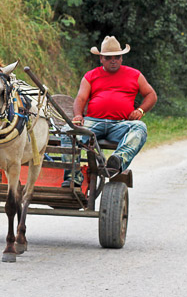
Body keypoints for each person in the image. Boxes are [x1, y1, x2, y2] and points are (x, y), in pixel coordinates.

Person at [62, 36, 157, 186]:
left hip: (120, 124)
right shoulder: (91, 76)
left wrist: (140, 110)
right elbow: (80, 99)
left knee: (140, 128)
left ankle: (116, 162)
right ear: (101, 59)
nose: (113, 60)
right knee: (68, 131)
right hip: (93, 122)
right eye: (108, 57)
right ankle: (73, 177)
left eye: (117, 57)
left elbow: (151, 94)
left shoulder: (134, 74)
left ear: (121, 58)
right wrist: (78, 115)